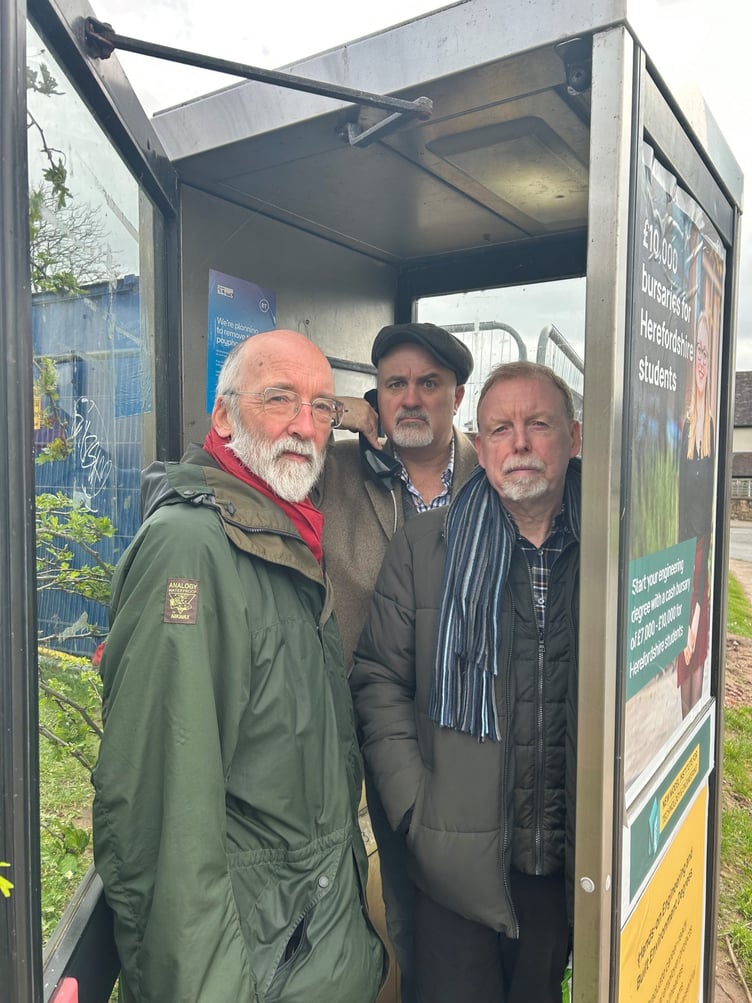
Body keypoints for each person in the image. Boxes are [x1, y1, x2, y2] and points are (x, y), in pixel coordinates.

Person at [92, 330, 387, 1003]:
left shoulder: (281, 534)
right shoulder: (190, 551)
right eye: (279, 399)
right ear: (223, 416)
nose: (303, 425)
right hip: (259, 971)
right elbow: (162, 823)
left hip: (310, 949)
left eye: (320, 407)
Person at [350, 361, 582, 1003]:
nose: (521, 443)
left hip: (564, 865)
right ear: (480, 448)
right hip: (451, 863)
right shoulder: (427, 549)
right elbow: (379, 681)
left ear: (575, 438)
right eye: (500, 429)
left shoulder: (612, 554)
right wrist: (417, 815)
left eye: (539, 424)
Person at [312, 321, 478, 1002]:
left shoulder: (494, 472)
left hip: (481, 735)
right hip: (382, 735)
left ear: (457, 395)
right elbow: (252, 448)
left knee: (489, 913)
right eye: (394, 385)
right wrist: (339, 414)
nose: (411, 399)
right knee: (407, 910)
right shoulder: (339, 471)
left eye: (429, 384)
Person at [677, 310, 716, 717]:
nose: (702, 361)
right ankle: (684, 717)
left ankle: (692, 719)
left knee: (699, 640)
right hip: (685, 547)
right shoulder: (686, 426)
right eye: (697, 351)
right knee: (685, 643)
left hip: (704, 547)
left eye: (706, 350)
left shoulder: (711, 426)